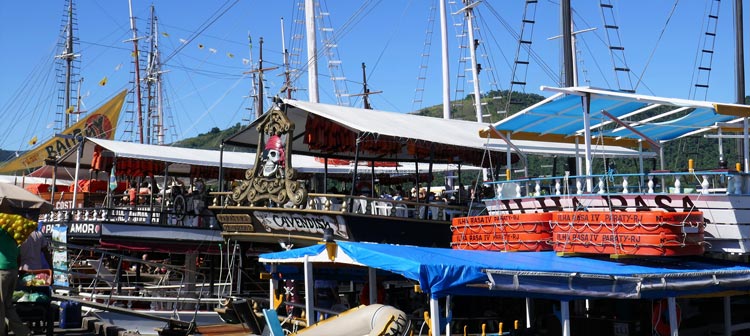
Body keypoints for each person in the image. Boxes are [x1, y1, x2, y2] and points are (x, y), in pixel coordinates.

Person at [1, 228, 32, 336]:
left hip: (2, 271)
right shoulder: (15, 235)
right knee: (7, 305)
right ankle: (23, 332)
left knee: (1, 304)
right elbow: (19, 257)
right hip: (13, 271)